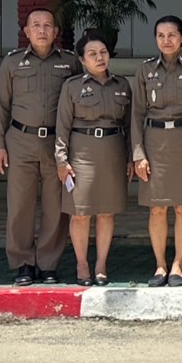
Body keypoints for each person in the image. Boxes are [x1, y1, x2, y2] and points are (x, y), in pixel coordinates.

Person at [0, 8, 79, 286]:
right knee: (20, 206)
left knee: (56, 206)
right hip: (21, 140)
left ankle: (48, 264)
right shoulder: (12, 62)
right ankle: (23, 264)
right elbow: (1, 106)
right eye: (36, 25)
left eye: (48, 25)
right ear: (26, 31)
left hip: (57, 143)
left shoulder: (70, 62)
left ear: (56, 32)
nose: (42, 30)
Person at [132, 15, 182, 287]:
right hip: (154, 143)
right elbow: (136, 114)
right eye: (161, 35)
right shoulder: (145, 70)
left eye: (172, 35)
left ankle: (178, 264)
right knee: (157, 208)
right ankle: (160, 265)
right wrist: (138, 154)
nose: (167, 40)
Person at [55, 33, 133, 287]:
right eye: (92, 54)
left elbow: (130, 125)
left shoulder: (122, 85)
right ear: (82, 60)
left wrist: (131, 157)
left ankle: (101, 264)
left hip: (113, 152)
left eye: (103, 52)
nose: (99, 58)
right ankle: (82, 264)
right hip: (82, 153)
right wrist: (61, 159)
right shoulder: (72, 86)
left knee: (106, 211)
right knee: (80, 212)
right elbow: (62, 125)